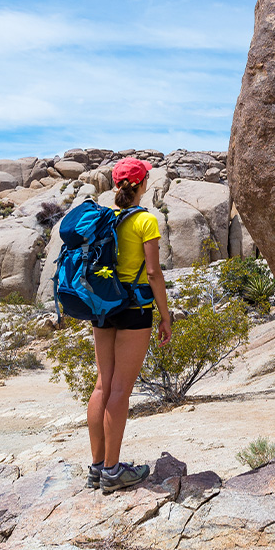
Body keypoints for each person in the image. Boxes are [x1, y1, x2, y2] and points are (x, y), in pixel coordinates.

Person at [84, 157, 172, 494]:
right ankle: (112, 472)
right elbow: (153, 273)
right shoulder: (145, 221)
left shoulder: (104, 220)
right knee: (120, 389)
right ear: (141, 184)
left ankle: (97, 468)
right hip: (134, 308)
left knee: (102, 387)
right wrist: (165, 316)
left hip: (103, 306)